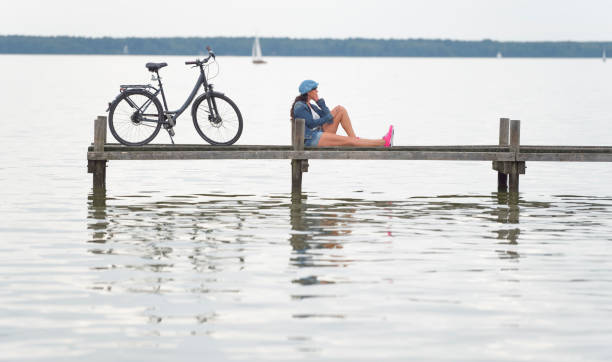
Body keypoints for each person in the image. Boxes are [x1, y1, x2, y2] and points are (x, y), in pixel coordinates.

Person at [290, 80, 394, 147]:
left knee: (340, 110)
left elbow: (329, 119)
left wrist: (319, 102)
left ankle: (355, 139)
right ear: (309, 91)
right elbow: (311, 123)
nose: (317, 91)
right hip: (310, 140)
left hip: (319, 133)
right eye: (315, 89)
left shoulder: (311, 106)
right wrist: (329, 116)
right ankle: (383, 142)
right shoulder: (300, 106)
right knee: (350, 141)